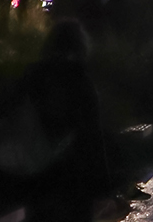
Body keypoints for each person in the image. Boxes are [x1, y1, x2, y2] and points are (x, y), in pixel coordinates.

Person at [20, 19, 109, 221]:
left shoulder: (32, 74)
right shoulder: (80, 79)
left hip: (37, 168)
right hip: (74, 173)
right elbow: (92, 134)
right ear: (81, 44)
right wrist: (103, 184)